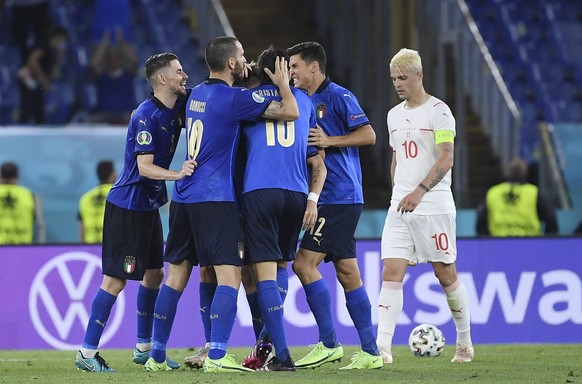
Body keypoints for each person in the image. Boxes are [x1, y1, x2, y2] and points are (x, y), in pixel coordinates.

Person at [145, 36, 299, 373]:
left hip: (183, 197)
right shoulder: (234, 99)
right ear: (231, 63)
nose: (245, 61)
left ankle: (156, 356)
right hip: (215, 197)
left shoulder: (196, 93)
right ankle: (217, 355)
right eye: (242, 56)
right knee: (229, 276)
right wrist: (284, 85)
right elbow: (289, 111)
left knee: (177, 276)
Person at [74, 52, 196, 373]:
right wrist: (178, 174)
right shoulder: (145, 116)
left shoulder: (178, 107)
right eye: (179, 71)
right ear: (162, 79)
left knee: (154, 275)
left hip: (148, 207)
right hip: (127, 206)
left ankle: (143, 347)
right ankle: (87, 352)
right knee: (114, 281)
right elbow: (144, 167)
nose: (185, 76)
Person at [286, 41, 382, 370]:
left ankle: (328, 343)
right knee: (347, 272)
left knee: (303, 265)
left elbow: (368, 135)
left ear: (314, 66)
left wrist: (330, 140)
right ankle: (370, 352)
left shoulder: (339, 96)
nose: (292, 72)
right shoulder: (299, 101)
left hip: (338, 196)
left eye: (295, 66)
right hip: (330, 197)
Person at [378, 48, 474, 364]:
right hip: (401, 206)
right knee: (391, 271)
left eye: (403, 78)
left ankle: (464, 344)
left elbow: (446, 158)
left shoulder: (440, 112)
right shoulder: (393, 114)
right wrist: (399, 190)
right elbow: (397, 158)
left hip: (433, 205)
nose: (398, 84)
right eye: (394, 79)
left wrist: (419, 191)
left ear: (420, 75)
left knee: (445, 273)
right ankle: (382, 349)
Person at [239, 46, 327, 371]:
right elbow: (314, 156)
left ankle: (284, 356)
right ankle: (267, 345)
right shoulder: (304, 101)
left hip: (261, 190)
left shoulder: (250, 99)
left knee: (262, 272)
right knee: (280, 269)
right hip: (296, 193)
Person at [475, 157, 558, 236]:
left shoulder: (493, 192)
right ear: (525, 173)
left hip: (500, 245)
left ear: (507, 172)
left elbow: (480, 222)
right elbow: (551, 218)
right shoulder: (533, 192)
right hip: (530, 245)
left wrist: (488, 242)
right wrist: (547, 242)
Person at [16, 25, 69, 124]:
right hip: (27, 76)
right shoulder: (43, 44)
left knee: (38, 105)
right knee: (28, 104)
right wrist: (43, 79)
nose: (64, 42)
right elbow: (32, 60)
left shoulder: (53, 50)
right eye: (63, 39)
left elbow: (53, 70)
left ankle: (38, 124)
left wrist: (59, 58)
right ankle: (23, 124)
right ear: (58, 37)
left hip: (38, 80)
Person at [88, 26, 138, 125]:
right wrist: (104, 45)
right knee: (90, 123)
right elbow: (94, 64)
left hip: (124, 114)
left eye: (116, 57)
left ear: (120, 59)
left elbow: (134, 60)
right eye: (110, 57)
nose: (113, 60)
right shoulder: (102, 77)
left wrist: (121, 42)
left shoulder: (127, 75)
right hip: (103, 114)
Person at [78, 160, 116, 243]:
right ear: (112, 174)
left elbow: (82, 228)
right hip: (111, 247)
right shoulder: (118, 194)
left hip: (90, 246)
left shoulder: (85, 197)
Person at [0, 162, 36, 244]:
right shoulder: (29, 194)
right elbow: (40, 223)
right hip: (22, 248)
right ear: (18, 176)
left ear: (1, 175)